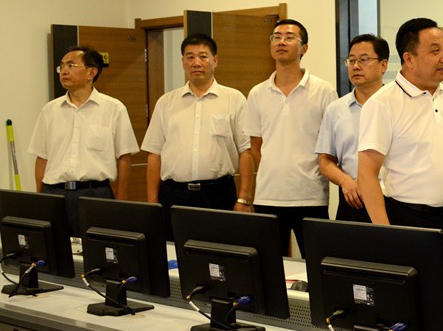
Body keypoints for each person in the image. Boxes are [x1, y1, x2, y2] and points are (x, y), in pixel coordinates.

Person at [357, 18, 443, 277]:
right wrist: (386, 233)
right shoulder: (383, 103)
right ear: (409, 59)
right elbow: (366, 174)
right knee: (418, 293)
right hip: (410, 221)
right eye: (435, 50)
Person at [141, 34, 254, 234]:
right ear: (183, 62)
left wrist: (244, 198)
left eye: (203, 56)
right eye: (190, 57)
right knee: (173, 249)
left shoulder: (234, 99)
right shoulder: (166, 102)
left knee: (219, 249)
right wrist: (152, 202)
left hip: (218, 194)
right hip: (174, 195)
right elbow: (154, 154)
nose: (196, 63)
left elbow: (246, 151)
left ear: (215, 61)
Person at [245, 19, 338, 257]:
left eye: (289, 37)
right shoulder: (257, 93)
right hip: (268, 196)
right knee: (268, 264)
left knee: (317, 263)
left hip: (311, 196)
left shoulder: (324, 90)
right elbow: (255, 145)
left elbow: (331, 145)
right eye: (276, 37)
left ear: (304, 48)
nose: (281, 42)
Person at [28, 47, 139, 237]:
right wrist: (41, 199)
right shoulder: (50, 110)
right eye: (61, 66)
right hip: (54, 193)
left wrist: (121, 200)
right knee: (54, 249)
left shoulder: (114, 108)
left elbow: (124, 157)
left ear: (91, 72)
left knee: (96, 248)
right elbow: (42, 158)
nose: (64, 71)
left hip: (95, 194)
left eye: (71, 65)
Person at [316, 34, 389, 224]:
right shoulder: (336, 109)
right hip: (353, 198)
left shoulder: (397, 104)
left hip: (392, 199)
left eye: (364, 60)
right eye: (351, 60)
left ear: (383, 65)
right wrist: (344, 181)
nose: (356, 66)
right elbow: (325, 161)